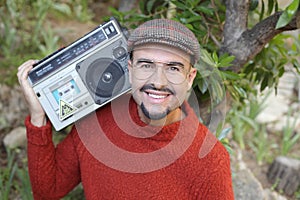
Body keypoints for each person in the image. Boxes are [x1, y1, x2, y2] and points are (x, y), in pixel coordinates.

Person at [17, 18, 234, 199]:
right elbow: (48, 190)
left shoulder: (210, 161)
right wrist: (38, 118)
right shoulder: (98, 120)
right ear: (130, 70)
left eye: (173, 68)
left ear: (190, 78)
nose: (158, 81)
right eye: (146, 65)